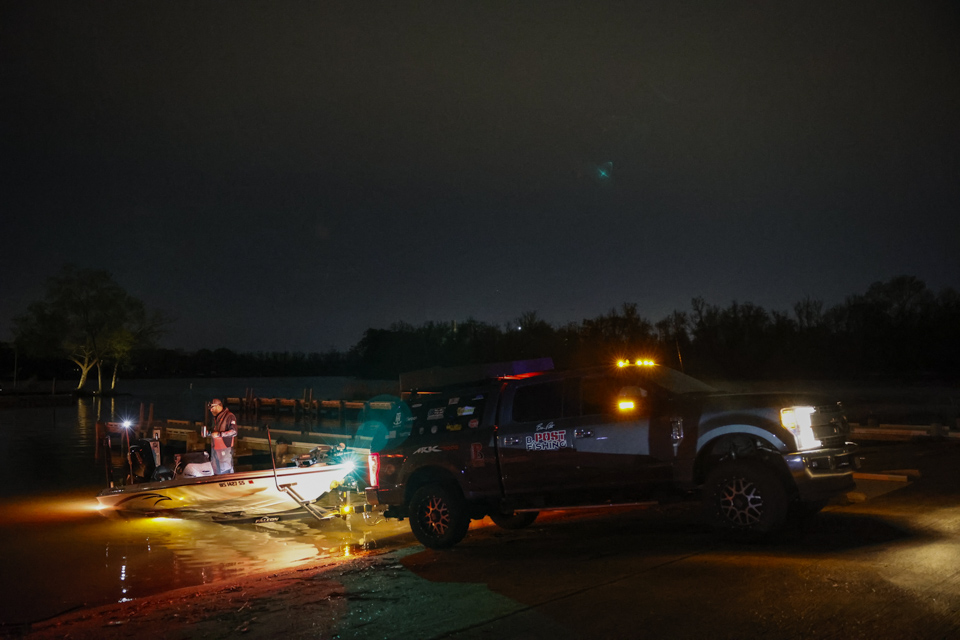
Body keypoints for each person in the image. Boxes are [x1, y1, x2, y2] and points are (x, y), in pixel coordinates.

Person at [208, 398, 237, 475]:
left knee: (225, 471)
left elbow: (234, 432)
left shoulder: (229, 416)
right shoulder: (215, 418)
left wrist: (219, 434)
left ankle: (228, 481)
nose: (211, 410)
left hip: (225, 448)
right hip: (215, 449)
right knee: (215, 471)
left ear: (218, 406)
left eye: (212, 407)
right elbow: (215, 431)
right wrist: (208, 433)